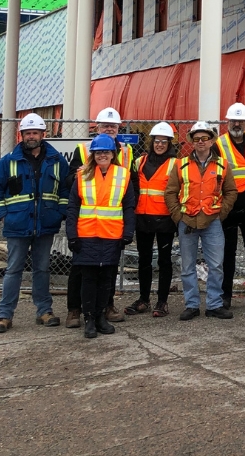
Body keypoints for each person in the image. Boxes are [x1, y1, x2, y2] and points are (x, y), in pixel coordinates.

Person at [0, 115, 70, 334]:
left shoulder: (56, 160)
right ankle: (4, 315)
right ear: (21, 135)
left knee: (42, 269)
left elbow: (64, 190)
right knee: (13, 270)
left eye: (34, 133)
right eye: (27, 133)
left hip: (45, 225)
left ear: (43, 135)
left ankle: (44, 311)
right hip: (17, 225)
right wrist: (3, 215)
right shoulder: (8, 161)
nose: (31, 136)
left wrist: (59, 213)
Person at [65, 107, 134, 327]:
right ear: (97, 127)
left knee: (107, 273)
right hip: (86, 231)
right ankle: (76, 310)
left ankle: (106, 307)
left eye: (113, 126)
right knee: (82, 273)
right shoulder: (83, 149)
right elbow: (72, 187)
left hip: (111, 229)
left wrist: (128, 227)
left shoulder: (126, 150)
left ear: (118, 128)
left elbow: (130, 191)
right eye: (105, 125)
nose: (109, 129)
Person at [165, 122, 238, 321]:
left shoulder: (222, 165)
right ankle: (192, 305)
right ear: (192, 142)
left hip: (212, 221)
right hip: (187, 221)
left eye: (204, 138)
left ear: (211, 140)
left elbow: (231, 191)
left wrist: (221, 213)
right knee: (187, 266)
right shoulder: (181, 165)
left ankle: (214, 304)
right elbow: (170, 192)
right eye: (196, 139)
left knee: (216, 265)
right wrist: (177, 216)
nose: (200, 142)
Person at [125, 122, 177, 318]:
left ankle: (162, 301)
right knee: (144, 261)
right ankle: (143, 299)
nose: (160, 144)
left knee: (164, 261)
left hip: (165, 219)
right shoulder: (140, 162)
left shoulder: (175, 164)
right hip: (143, 218)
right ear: (152, 141)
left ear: (169, 143)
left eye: (164, 141)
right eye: (157, 141)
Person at [215, 102, 245, 309]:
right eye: (233, 120)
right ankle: (225, 295)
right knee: (227, 253)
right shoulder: (219, 144)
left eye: (240, 121)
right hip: (230, 207)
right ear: (227, 122)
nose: (236, 124)